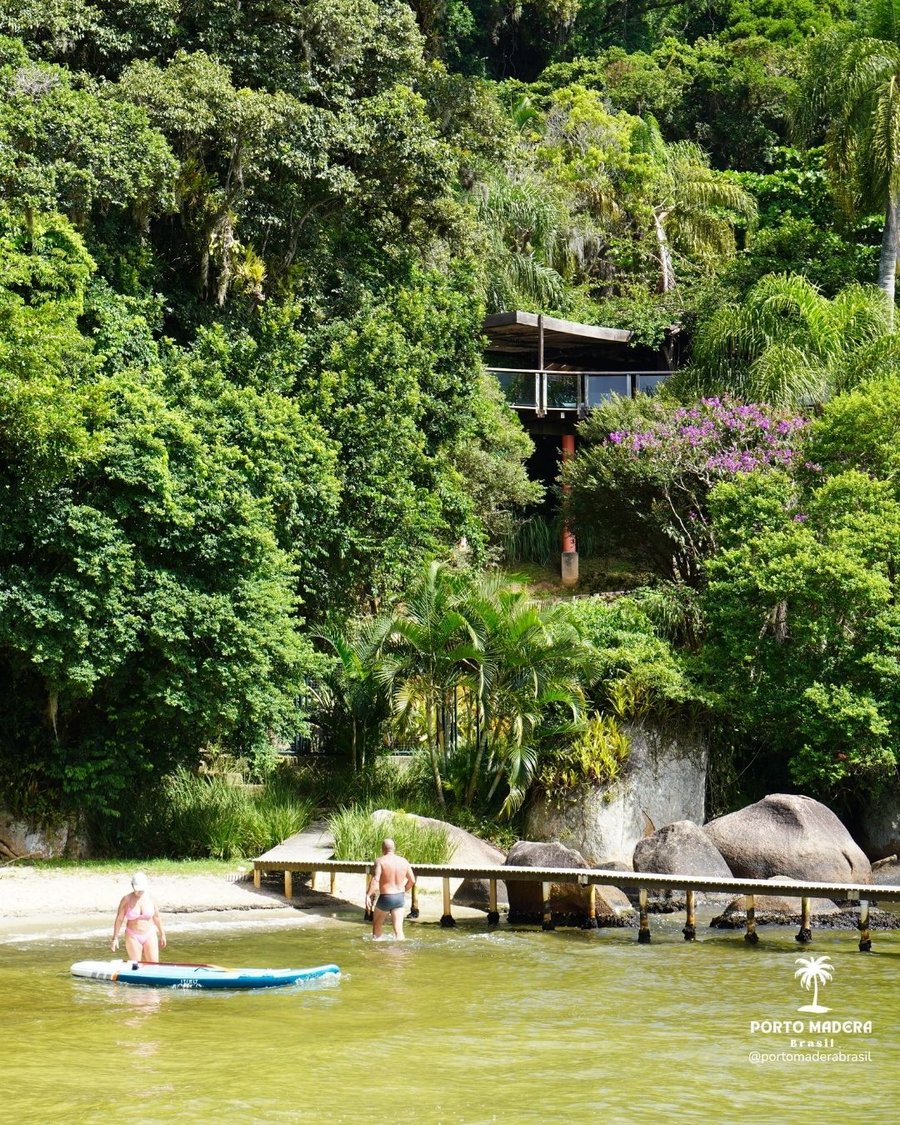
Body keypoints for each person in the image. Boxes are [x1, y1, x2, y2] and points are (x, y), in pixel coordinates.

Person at [111, 871, 167, 963]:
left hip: (149, 933)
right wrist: (115, 938)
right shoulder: (126, 899)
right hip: (133, 935)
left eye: (142, 890)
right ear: (132, 886)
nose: (139, 892)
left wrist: (162, 935)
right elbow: (119, 919)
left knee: (154, 964)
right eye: (137, 889)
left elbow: (156, 917)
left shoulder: (150, 898)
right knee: (136, 965)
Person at [365, 838, 415, 940]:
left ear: (382, 849)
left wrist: (368, 895)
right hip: (399, 898)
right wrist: (403, 891)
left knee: (377, 924)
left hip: (386, 898)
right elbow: (412, 881)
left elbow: (376, 879)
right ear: (394, 848)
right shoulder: (404, 861)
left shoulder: (380, 861)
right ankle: (400, 949)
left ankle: (377, 946)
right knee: (398, 929)